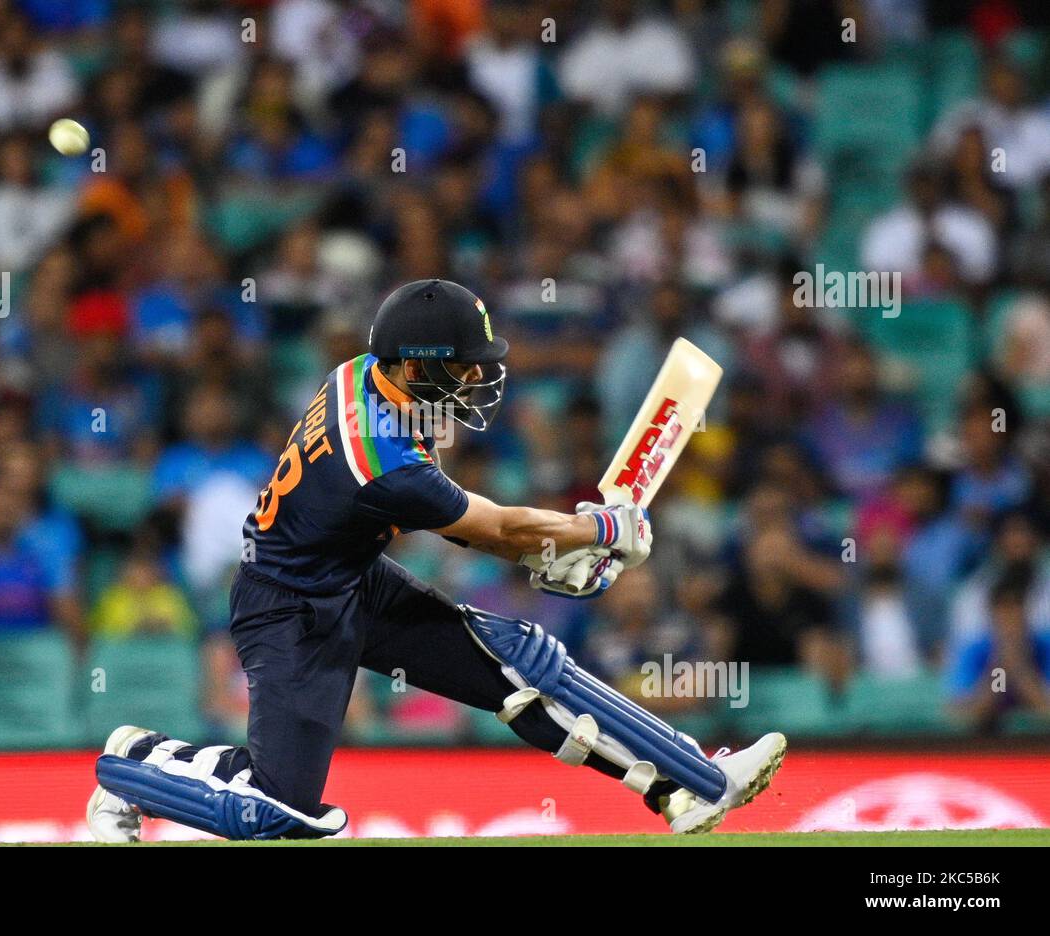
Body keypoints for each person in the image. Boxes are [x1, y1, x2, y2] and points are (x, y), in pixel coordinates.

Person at [87, 280, 785, 841]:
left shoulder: (364, 373)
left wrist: (559, 546)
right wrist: (592, 527)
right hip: (289, 611)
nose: (475, 380)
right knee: (273, 812)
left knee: (523, 663)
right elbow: (497, 530)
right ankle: (132, 763)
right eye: (460, 366)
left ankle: (692, 784)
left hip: (350, 579)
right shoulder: (379, 456)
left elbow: (486, 528)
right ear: (414, 365)